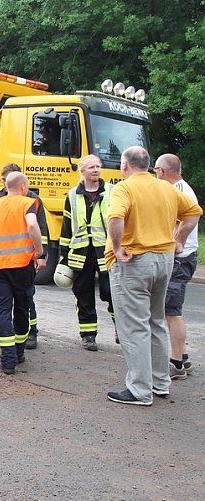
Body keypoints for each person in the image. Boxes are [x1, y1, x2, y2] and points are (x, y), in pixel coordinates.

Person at [105, 146, 201, 406]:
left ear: (125, 166)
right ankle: (161, 383)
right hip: (164, 260)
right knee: (156, 321)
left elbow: (115, 217)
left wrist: (116, 247)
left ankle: (139, 390)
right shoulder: (166, 187)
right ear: (148, 165)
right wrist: (178, 239)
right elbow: (193, 213)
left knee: (134, 325)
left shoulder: (124, 188)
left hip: (135, 261)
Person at [0, 172, 47, 374]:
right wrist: (39, 252)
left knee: (4, 310)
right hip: (23, 265)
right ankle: (19, 352)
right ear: (23, 187)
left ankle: (8, 360)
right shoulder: (28, 203)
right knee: (22, 309)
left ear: (7, 187)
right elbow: (32, 225)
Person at [59, 155, 116, 351]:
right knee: (83, 294)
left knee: (111, 292)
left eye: (98, 166)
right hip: (80, 253)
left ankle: (121, 330)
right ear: (82, 171)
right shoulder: (72, 195)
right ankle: (88, 335)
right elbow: (66, 227)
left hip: (106, 252)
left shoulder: (111, 191)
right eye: (91, 167)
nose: (96, 170)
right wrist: (63, 255)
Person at [155, 153, 198, 379]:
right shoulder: (181, 188)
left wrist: (177, 241)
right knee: (169, 310)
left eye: (155, 171)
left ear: (162, 172)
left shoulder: (178, 191)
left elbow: (189, 219)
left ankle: (176, 363)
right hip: (184, 258)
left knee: (171, 312)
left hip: (180, 259)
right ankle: (184, 356)